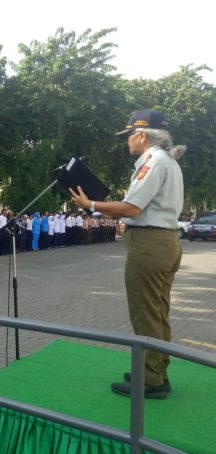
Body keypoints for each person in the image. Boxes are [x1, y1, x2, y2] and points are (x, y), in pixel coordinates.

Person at [70, 109, 185, 400]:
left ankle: (151, 381)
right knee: (157, 312)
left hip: (149, 243)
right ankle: (156, 371)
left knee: (145, 313)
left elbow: (132, 208)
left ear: (143, 135)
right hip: (164, 241)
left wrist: (90, 203)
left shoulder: (153, 162)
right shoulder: (166, 161)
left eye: (129, 136)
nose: (127, 142)